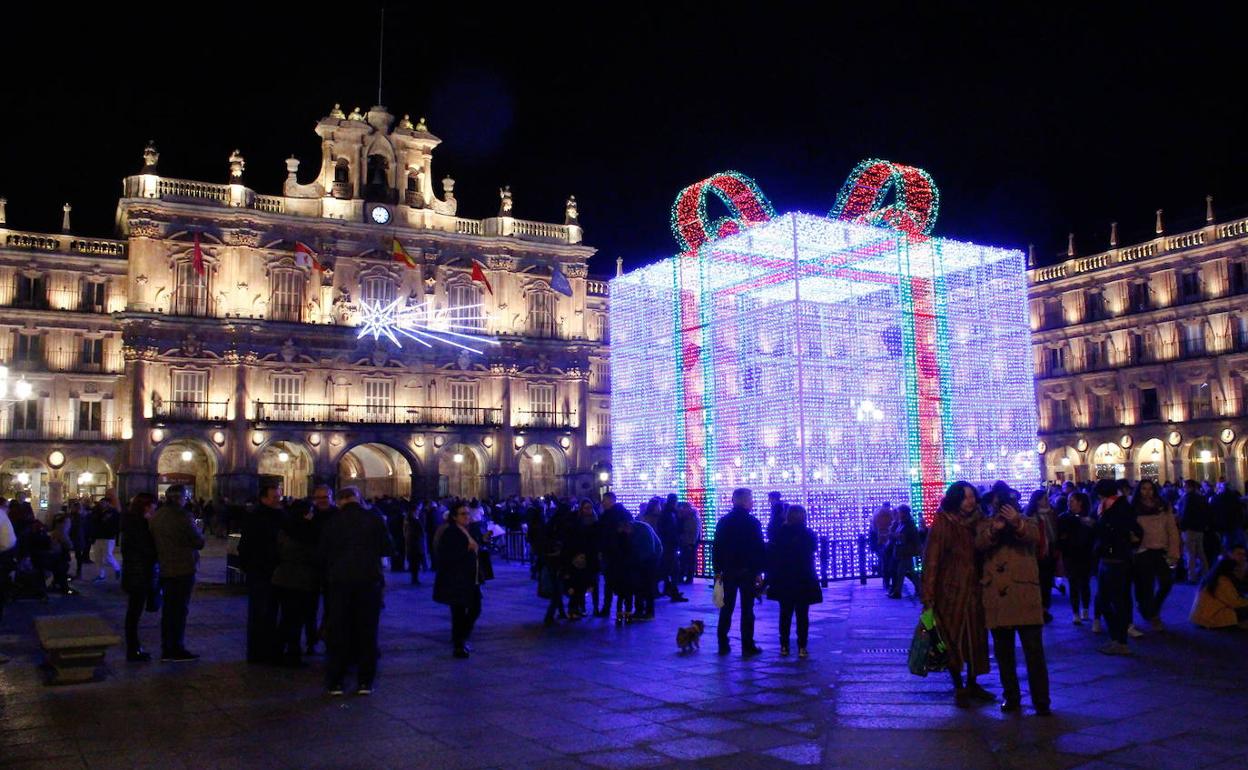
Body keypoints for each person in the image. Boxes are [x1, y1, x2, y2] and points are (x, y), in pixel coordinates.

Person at [977, 483, 1051, 715]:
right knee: (1004, 653)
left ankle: (1041, 699)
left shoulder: (1026, 520)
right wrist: (994, 530)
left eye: (1005, 503)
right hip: (997, 595)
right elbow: (979, 545)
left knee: (1034, 652)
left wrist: (1016, 521)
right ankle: (1011, 696)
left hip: (1023, 594)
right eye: (997, 503)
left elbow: (1034, 538)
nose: (1000, 507)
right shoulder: (985, 524)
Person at [921, 481, 992, 708]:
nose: (970, 501)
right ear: (955, 499)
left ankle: (973, 681)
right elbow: (932, 560)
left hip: (975, 588)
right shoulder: (944, 522)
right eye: (965, 497)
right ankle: (958, 684)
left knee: (976, 638)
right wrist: (929, 595)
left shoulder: (980, 521)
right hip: (950, 590)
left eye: (972, 496)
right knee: (953, 638)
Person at [319, 486, 392, 695]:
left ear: (340, 501)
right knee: (367, 633)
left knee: (339, 632)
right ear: (358, 499)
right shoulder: (374, 520)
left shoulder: (332, 522)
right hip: (369, 582)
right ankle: (365, 682)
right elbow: (388, 548)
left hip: (339, 583)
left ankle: (335, 682)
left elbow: (322, 553)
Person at [149, 485, 205, 662]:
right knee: (179, 610)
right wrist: (199, 532)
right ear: (181, 498)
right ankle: (176, 648)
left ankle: (167, 646)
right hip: (182, 568)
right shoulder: (183, 517)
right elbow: (198, 542)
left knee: (169, 610)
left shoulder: (157, 516)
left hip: (165, 567)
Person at [712, 488, 766, 656]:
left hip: (728, 570)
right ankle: (747, 644)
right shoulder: (753, 523)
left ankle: (722, 642)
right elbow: (758, 548)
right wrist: (758, 570)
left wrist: (717, 570)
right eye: (750, 500)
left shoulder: (724, 522)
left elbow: (717, 547)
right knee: (747, 609)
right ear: (744, 501)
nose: (752, 503)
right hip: (747, 570)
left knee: (726, 607)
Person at [1092, 478, 1142, 655]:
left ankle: (1120, 640)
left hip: (1117, 560)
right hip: (1108, 558)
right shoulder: (1106, 507)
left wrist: (1097, 528)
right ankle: (1117, 638)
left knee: (1114, 601)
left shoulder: (1117, 508)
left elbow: (1129, 530)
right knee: (1107, 601)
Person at [238, 481, 285, 664]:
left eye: (279, 496)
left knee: (269, 612)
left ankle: (265, 649)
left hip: (269, 570)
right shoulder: (260, 517)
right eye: (275, 497)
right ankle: (260, 651)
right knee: (261, 612)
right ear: (264, 498)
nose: (278, 499)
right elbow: (247, 545)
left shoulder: (274, 514)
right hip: (262, 570)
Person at [765, 505, 822, 657]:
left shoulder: (780, 533)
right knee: (803, 614)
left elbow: (773, 555)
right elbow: (813, 550)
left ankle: (784, 646)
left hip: (784, 578)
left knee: (785, 613)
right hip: (804, 578)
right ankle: (802, 647)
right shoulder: (808, 533)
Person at [271, 499, 320, 668]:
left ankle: (277, 651)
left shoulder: (284, 529)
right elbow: (313, 554)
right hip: (302, 579)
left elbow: (277, 551)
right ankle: (293, 654)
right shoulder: (307, 531)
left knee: (286, 617)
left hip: (282, 578)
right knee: (296, 619)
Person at [434, 501, 483, 659]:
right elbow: (447, 555)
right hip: (457, 580)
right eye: (463, 514)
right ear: (454, 517)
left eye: (468, 513)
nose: (467, 516)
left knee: (475, 609)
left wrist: (482, 540)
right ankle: (459, 644)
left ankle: (461, 638)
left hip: (470, 579)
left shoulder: (465, 530)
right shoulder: (451, 532)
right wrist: (466, 550)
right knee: (459, 613)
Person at [1131, 479, 1181, 632]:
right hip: (1142, 551)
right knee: (1146, 586)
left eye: (1150, 489)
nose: (1147, 492)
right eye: (1144, 489)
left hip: (1160, 550)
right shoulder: (1134, 508)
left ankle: (1152, 609)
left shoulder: (1163, 507)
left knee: (1166, 582)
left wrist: (1174, 551)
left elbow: (1172, 530)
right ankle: (1151, 613)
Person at [120, 493, 159, 662]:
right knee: (134, 613)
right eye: (153, 506)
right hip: (139, 573)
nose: (155, 509)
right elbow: (146, 549)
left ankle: (134, 647)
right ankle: (133, 649)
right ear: (146, 506)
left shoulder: (131, 521)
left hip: (134, 572)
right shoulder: (139, 524)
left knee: (133, 612)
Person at [1057, 491, 1095, 625]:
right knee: (1073, 585)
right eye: (1069, 500)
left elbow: (1092, 536)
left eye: (1072, 500)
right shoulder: (1064, 517)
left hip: (1085, 555)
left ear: (1080, 502)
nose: (1069, 503)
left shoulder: (1088, 518)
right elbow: (1061, 537)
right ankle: (1075, 613)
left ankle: (1085, 609)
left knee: (1084, 584)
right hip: (1070, 556)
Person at [1189, 543, 1248, 629]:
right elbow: (1235, 602)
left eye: (1244, 554)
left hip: (1210, 613)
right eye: (1239, 554)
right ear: (1229, 554)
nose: (1242, 557)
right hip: (1210, 617)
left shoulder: (1220, 572)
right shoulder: (1222, 579)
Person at [1023, 489, 1059, 623]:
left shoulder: (1051, 514)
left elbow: (1054, 532)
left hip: (1050, 553)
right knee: (1040, 582)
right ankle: (1040, 609)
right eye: (1044, 498)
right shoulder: (1032, 516)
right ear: (1037, 501)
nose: (1047, 500)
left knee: (1047, 582)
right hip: (1038, 553)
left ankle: (1045, 608)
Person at [626, 515, 663, 621]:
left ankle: (649, 611)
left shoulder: (643, 529)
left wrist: (637, 562)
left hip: (651, 559)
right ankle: (639, 610)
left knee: (647, 585)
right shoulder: (631, 530)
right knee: (638, 585)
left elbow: (649, 550)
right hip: (642, 559)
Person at [1177, 479, 1212, 582]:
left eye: (1184, 486)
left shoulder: (1186, 499)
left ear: (1188, 487)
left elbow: (1184, 514)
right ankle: (1206, 573)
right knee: (1201, 552)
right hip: (1199, 529)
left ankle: (1191, 576)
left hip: (1189, 529)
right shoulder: (1201, 498)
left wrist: (1182, 527)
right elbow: (1207, 512)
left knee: (1190, 553)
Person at [887, 505, 921, 599]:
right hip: (903, 551)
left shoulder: (908, 524)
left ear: (903, 513)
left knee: (901, 572)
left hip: (906, 551)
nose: (898, 514)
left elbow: (904, 537)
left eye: (900, 512)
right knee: (911, 572)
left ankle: (898, 592)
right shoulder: (902, 523)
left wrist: (894, 535)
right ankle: (920, 589)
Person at [90, 490, 122, 583]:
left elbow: (115, 524)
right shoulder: (98, 511)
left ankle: (117, 568)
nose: (102, 504)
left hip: (108, 537)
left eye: (103, 503)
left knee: (108, 556)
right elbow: (94, 522)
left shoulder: (113, 512)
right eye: (101, 503)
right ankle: (101, 575)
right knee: (98, 557)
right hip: (98, 536)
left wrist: (113, 532)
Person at [677, 501, 700, 584]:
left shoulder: (693, 518)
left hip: (690, 543)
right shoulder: (684, 518)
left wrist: (692, 543)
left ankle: (689, 578)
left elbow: (695, 532)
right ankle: (683, 577)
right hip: (684, 542)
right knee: (684, 560)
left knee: (689, 561)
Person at [404, 504, 427, 585]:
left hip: (411, 544)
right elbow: (419, 532)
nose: (418, 512)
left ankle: (414, 578)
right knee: (415, 563)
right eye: (417, 510)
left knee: (414, 563)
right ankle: (415, 579)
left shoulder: (408, 520)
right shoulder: (414, 521)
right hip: (415, 545)